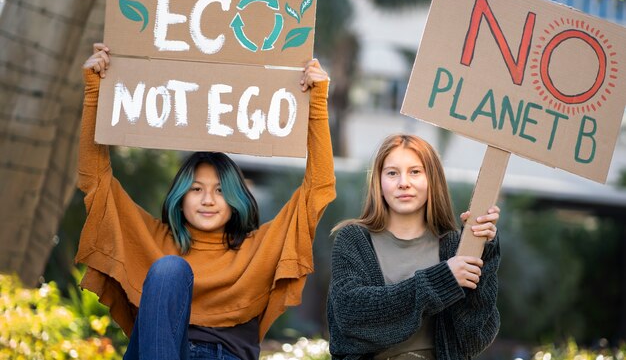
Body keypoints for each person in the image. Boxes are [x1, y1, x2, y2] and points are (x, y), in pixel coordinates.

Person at [76, 43, 336, 360]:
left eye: (220, 190)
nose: (208, 200)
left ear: (236, 198)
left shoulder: (258, 248)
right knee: (171, 269)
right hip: (158, 351)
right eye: (197, 189)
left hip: (223, 354)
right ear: (181, 196)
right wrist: (94, 91)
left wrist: (318, 102)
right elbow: (95, 179)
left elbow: (318, 188)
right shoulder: (152, 238)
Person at [326, 134, 500, 360]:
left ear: (432, 179)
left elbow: (474, 337)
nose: (403, 183)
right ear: (378, 181)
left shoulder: (454, 247)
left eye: (415, 172)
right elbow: (350, 314)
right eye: (392, 173)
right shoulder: (354, 240)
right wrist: (443, 279)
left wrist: (483, 250)